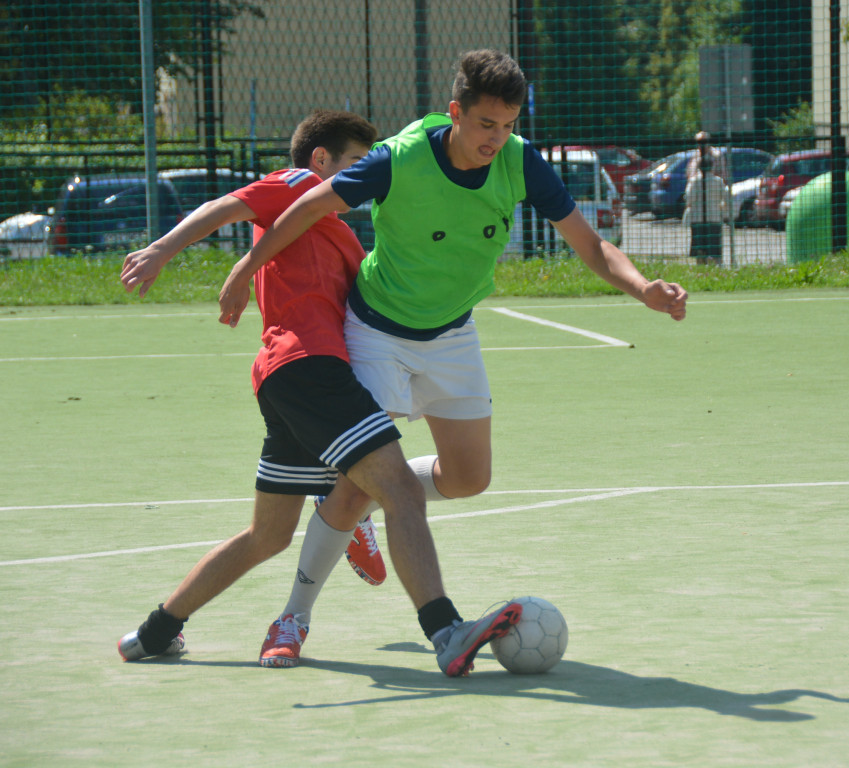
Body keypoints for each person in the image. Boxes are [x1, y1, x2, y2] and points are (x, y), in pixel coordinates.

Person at [218, 49, 689, 668]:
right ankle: (292, 618)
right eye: (486, 124)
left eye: (509, 125)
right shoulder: (399, 159)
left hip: (452, 333)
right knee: (364, 491)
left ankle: (359, 486)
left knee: (470, 477)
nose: (498, 138)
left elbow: (590, 244)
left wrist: (643, 288)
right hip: (376, 331)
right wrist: (245, 266)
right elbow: (307, 207)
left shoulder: (520, 163)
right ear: (456, 113)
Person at [117, 109, 523, 678]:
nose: (367, 172)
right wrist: (161, 250)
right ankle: (445, 631)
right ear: (320, 161)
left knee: (268, 535)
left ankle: (153, 633)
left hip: (287, 379)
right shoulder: (297, 186)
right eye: (357, 161)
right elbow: (219, 208)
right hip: (311, 371)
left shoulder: (342, 238)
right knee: (400, 490)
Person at [685, 133, 728, 265]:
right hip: (699, 206)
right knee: (700, 248)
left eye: (703, 141)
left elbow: (724, 176)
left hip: (711, 201)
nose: (701, 144)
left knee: (714, 246)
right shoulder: (694, 156)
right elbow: (689, 174)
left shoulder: (717, 156)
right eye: (698, 141)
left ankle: (715, 268)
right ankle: (702, 269)